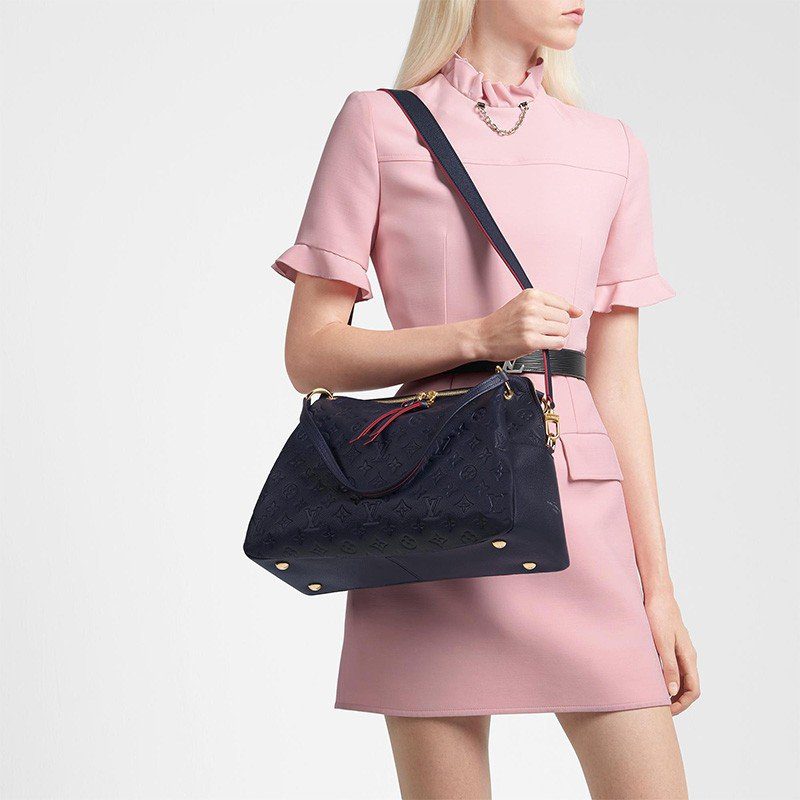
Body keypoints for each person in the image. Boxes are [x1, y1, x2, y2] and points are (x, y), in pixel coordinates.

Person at [272, 1, 699, 796]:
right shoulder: (379, 124)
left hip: (578, 508)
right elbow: (311, 353)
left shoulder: (612, 148)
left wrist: (659, 591)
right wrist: (478, 336)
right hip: (430, 503)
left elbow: (617, 384)